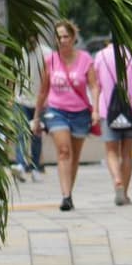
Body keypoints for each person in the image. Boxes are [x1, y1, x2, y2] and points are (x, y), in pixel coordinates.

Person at [32, 19, 100, 212]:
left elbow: (94, 86)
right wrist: (37, 116)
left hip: (80, 113)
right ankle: (65, 196)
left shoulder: (85, 59)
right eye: (59, 37)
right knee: (64, 151)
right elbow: (43, 90)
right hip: (56, 111)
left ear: (73, 37)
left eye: (65, 36)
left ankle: (69, 191)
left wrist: (95, 110)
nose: (62, 40)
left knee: (74, 157)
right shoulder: (51, 60)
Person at [93, 40, 132, 206]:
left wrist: (94, 109)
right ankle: (124, 193)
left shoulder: (100, 56)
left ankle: (117, 180)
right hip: (130, 110)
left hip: (107, 109)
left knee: (111, 151)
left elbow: (97, 84)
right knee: (126, 152)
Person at [13, 37, 47, 182]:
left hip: (40, 101)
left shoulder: (46, 53)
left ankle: (35, 167)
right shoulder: (17, 52)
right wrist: (10, 96)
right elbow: (12, 75)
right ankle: (20, 165)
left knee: (36, 136)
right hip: (20, 100)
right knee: (20, 133)